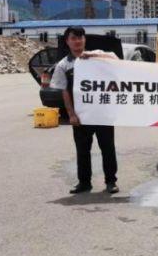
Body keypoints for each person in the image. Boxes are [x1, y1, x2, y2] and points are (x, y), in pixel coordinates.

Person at [50, 26, 120, 194]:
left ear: (84, 40)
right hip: (81, 116)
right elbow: (64, 90)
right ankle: (84, 183)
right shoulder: (63, 65)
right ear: (67, 41)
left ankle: (111, 182)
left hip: (102, 113)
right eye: (73, 38)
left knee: (108, 148)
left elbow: (116, 59)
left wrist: (94, 55)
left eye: (80, 37)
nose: (78, 41)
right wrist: (71, 114)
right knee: (82, 151)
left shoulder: (96, 56)